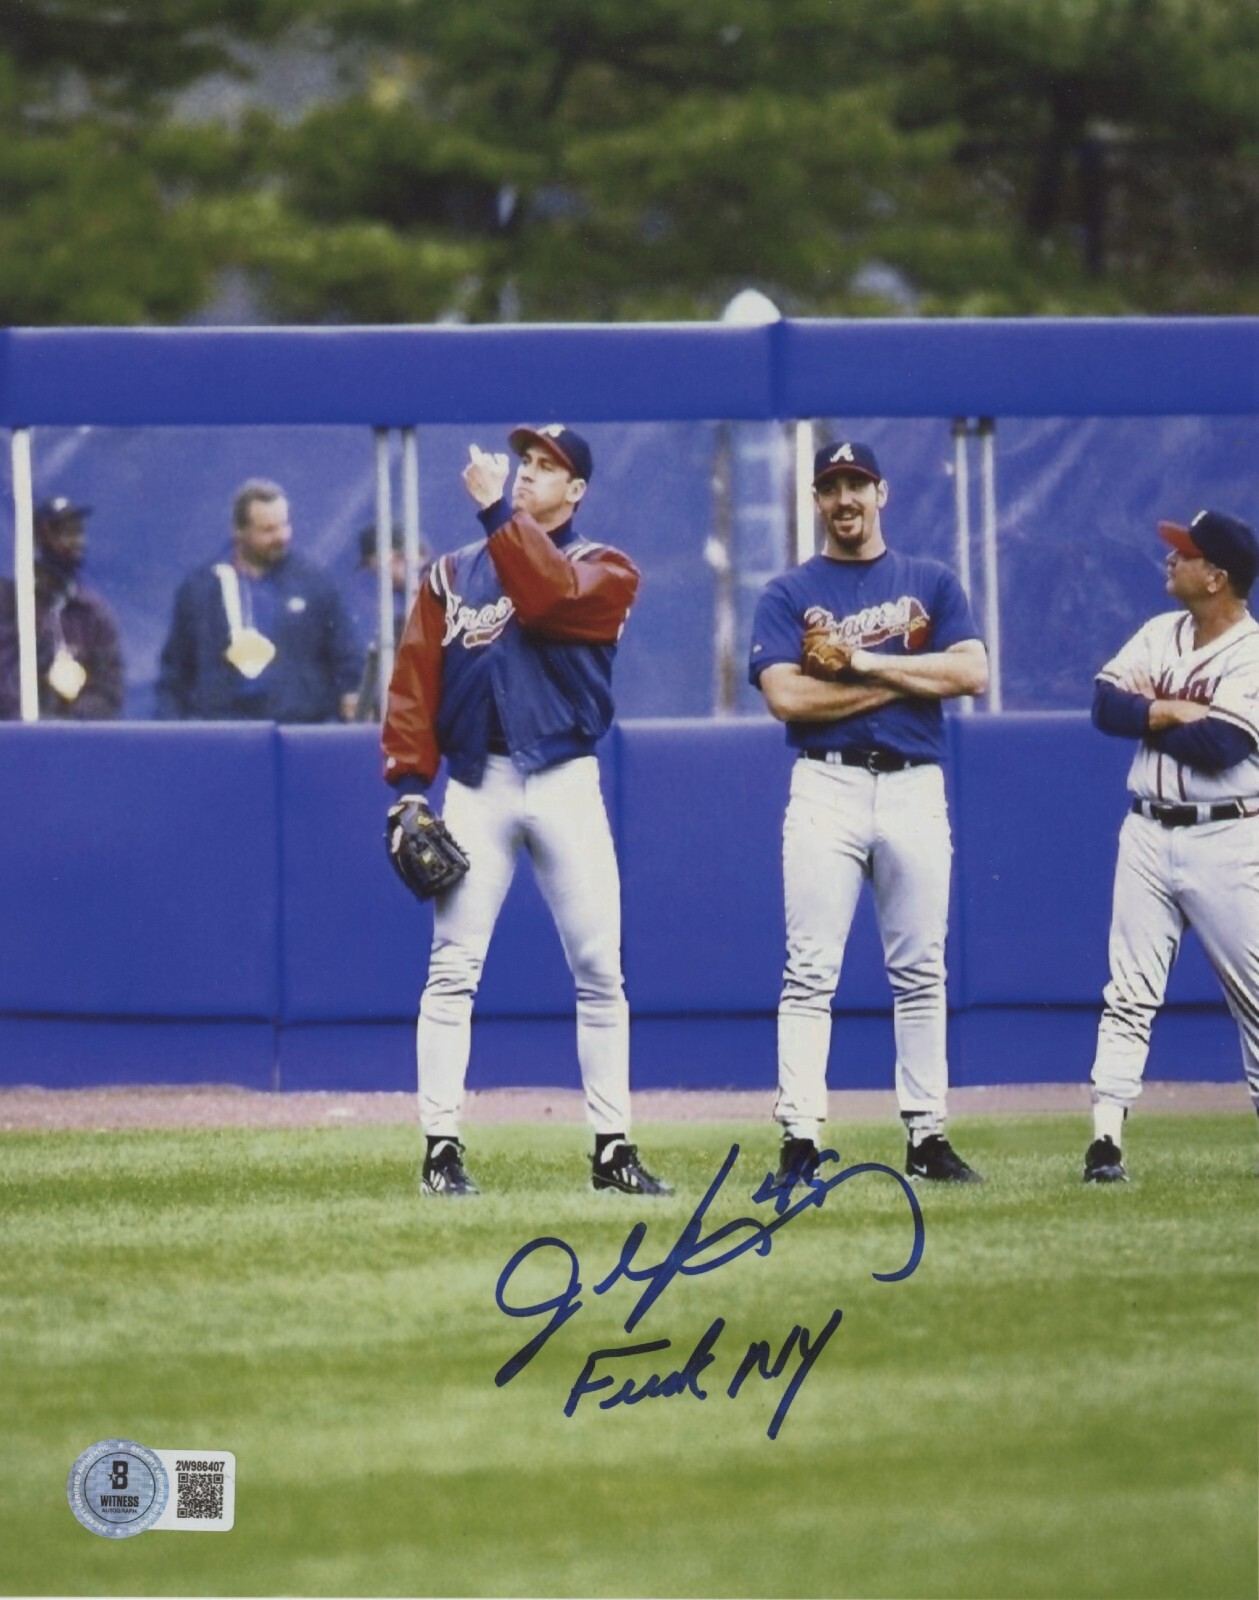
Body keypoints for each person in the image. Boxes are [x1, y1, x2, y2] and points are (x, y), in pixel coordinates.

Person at [381, 424, 671, 1199]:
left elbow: (543, 597)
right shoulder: (451, 575)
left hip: (563, 781)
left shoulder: (605, 568)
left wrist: (492, 520)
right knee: (451, 970)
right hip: (478, 783)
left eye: (548, 469)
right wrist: (411, 780)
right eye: (525, 464)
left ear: (576, 491)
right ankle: (440, 1151)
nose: (527, 476)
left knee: (599, 970)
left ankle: (612, 1150)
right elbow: (415, 680)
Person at [748, 439, 989, 1187]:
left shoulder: (931, 581)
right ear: (815, 500)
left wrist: (862, 662)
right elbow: (788, 697)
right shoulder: (787, 592)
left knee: (920, 971)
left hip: (914, 784)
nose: (843, 498)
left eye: (856, 484)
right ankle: (797, 1138)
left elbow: (973, 671)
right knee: (809, 969)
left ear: (880, 493)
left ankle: (926, 1136)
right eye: (830, 487)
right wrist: (913, 679)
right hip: (827, 783)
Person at [1084, 508, 1259, 1183]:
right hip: (1148, 831)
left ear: (1216, 576)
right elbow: (1103, 705)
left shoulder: (1250, 652)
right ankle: (1104, 1144)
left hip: (1228, 834)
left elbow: (1219, 747)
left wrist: (1146, 710)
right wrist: (1168, 709)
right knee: (1127, 991)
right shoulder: (1160, 632)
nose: (1170, 559)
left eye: (1183, 553)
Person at [155, 479, 362, 722]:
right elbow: (175, 673)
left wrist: (352, 697)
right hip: (224, 732)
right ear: (239, 531)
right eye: (268, 530)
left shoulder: (314, 585)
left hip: (296, 730)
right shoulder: (201, 590)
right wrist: (171, 729)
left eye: (284, 525)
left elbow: (347, 657)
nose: (281, 536)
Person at [0, 497, 124, 721]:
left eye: (79, 533)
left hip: (76, 743)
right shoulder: (8, 604)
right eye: (65, 532)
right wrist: (30, 723)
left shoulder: (94, 613)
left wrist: (68, 725)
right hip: (13, 740)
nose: (77, 542)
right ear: (38, 542)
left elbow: (109, 688)